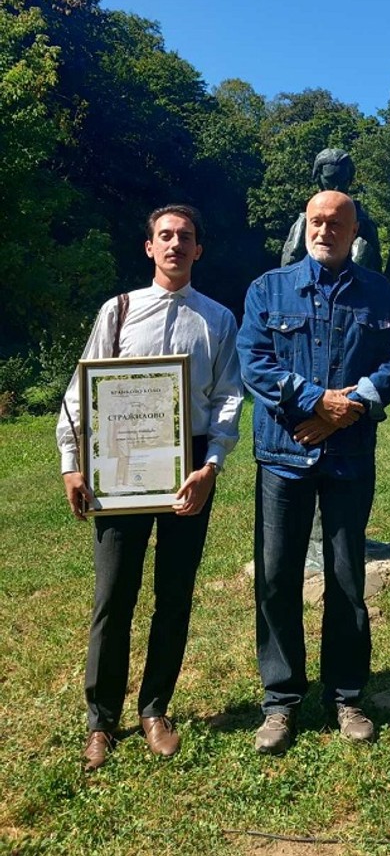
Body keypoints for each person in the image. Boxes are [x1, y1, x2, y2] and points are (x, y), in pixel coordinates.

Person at [57, 205, 243, 772]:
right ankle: (100, 720)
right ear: (149, 247)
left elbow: (230, 397)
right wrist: (71, 461)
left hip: (187, 468)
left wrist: (210, 466)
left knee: (174, 595)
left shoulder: (217, 319)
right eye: (165, 236)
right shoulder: (118, 312)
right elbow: (82, 385)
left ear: (198, 250)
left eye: (186, 237)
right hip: (119, 468)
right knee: (113, 597)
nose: (175, 245)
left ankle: (156, 708)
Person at [238, 190, 390, 755]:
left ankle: (346, 695)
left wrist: (345, 409)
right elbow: (254, 361)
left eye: (336, 221)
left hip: (349, 456)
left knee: (346, 579)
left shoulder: (378, 292)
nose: (325, 229)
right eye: (316, 221)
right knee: (278, 577)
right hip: (283, 457)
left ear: (354, 229)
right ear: (304, 226)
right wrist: (314, 402)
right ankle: (280, 701)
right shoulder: (269, 288)